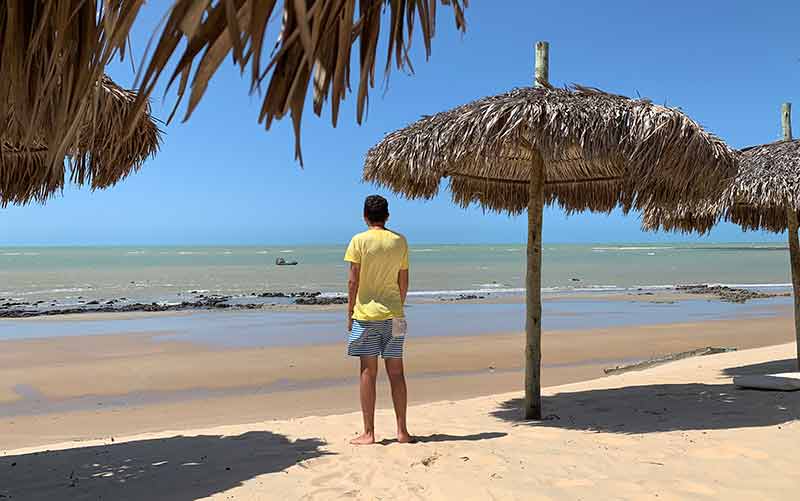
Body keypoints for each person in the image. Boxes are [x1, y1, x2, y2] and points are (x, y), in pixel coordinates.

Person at [344, 194, 411, 445]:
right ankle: (402, 431)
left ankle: (369, 432)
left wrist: (350, 312)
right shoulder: (399, 241)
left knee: (367, 372)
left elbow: (353, 281)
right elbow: (404, 281)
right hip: (395, 314)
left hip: (366, 315)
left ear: (365, 216)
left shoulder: (358, 241)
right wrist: (398, 305)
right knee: (397, 373)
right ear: (387, 216)